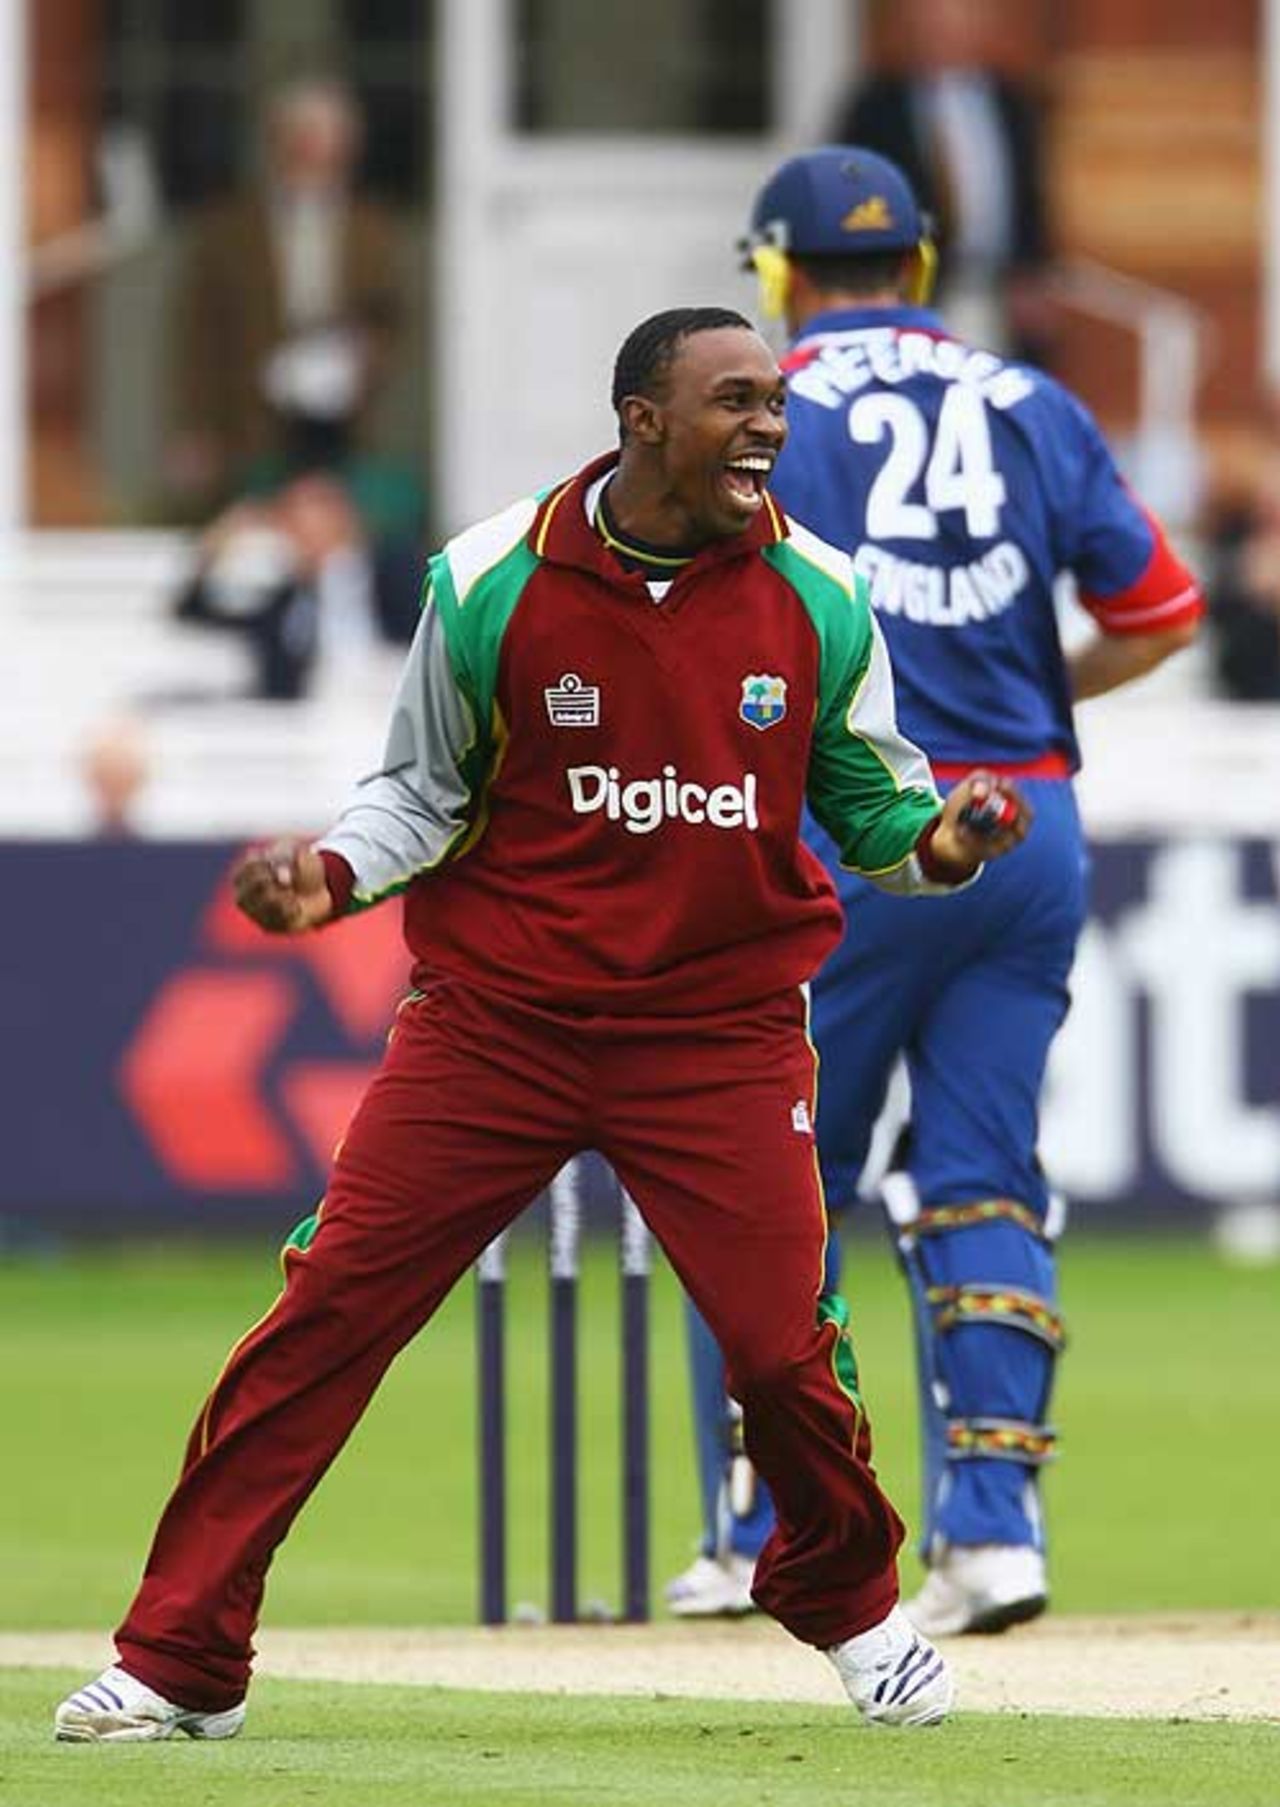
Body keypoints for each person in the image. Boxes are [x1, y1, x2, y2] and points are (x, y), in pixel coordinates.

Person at [54, 306, 1035, 1743]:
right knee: (330, 1311)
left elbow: (877, 808)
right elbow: (419, 792)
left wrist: (945, 839)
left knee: (779, 1351)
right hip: (496, 1023)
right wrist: (324, 875)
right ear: (644, 418)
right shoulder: (489, 577)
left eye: (775, 403)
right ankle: (182, 1656)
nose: (769, 426)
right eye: (734, 402)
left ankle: (852, 1605)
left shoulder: (818, 594)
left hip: (718, 1031)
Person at [669, 150, 1203, 1635]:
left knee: (785, 1177)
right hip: (1023, 815)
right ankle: (996, 1532)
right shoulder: (1035, 401)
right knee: (982, 1165)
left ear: (778, 270)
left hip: (857, 825)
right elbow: (1159, 613)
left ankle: (773, 1527)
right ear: (921, 262)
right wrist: (1041, 690)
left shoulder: (763, 405)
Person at [165, 76, 405, 514]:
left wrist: (363, 357)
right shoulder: (230, 230)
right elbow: (199, 336)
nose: (314, 160)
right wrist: (197, 428)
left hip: (343, 419)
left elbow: (391, 318)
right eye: (303, 144)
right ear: (279, 145)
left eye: (328, 147)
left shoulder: (372, 230)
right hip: (252, 419)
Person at [829, 0, 1055, 365]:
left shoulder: (1010, 102)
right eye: (929, 23)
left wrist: (1032, 271)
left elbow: (1031, 197)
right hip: (912, 290)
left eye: (953, 22)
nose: (940, 34)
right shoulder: (876, 106)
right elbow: (845, 196)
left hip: (997, 294)